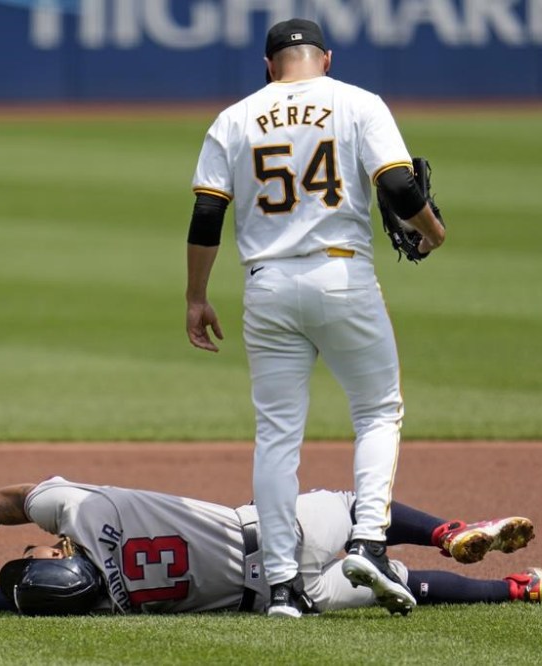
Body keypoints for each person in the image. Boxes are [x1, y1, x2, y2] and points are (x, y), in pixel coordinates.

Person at [184, 18, 447, 616]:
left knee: (277, 435)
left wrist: (196, 298)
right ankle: (368, 542)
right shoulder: (358, 102)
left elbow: (206, 217)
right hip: (341, 275)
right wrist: (433, 232)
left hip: (266, 284)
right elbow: (402, 187)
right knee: (378, 409)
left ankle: (281, 587)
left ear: (269, 64)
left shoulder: (234, 117)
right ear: (325, 58)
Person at [0, 476, 542, 617]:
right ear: (55, 553)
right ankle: (447, 531)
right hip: (270, 529)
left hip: (275, 596)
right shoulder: (86, 506)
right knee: (362, 511)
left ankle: (524, 589)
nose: (34, 555)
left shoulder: (106, 604)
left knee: (399, 584)